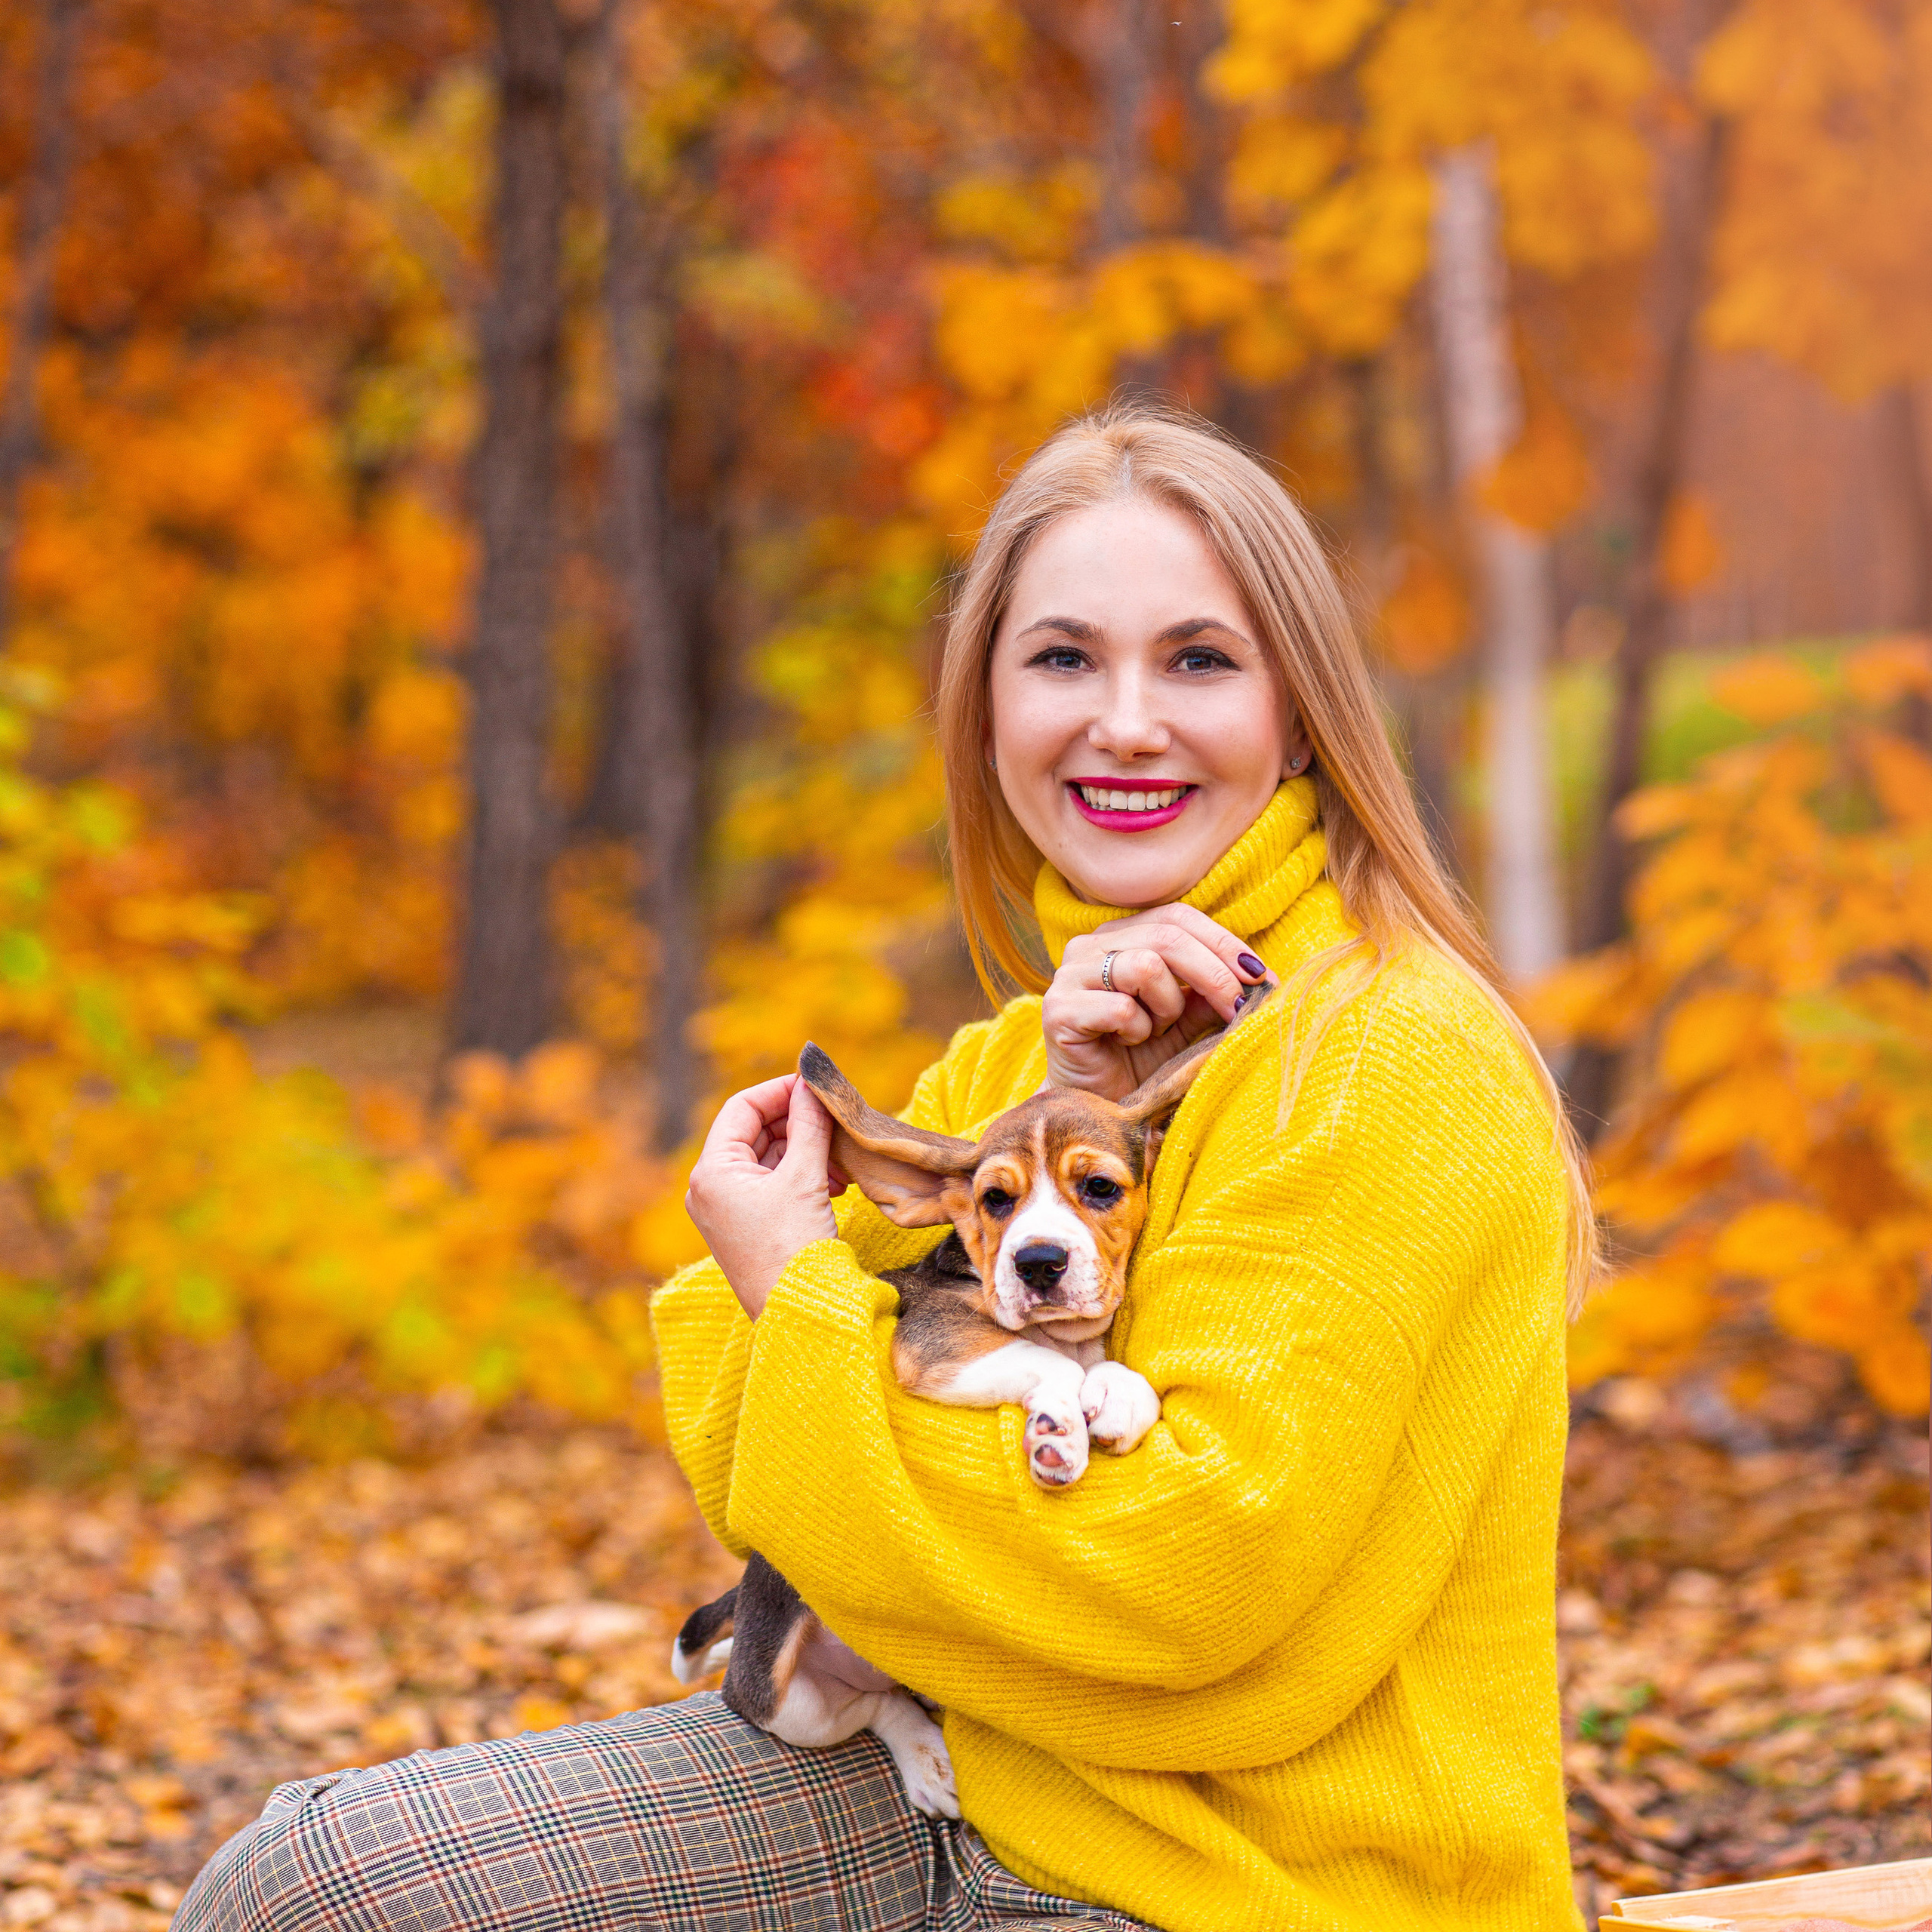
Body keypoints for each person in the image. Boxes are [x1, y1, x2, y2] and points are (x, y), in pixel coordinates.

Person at [173, 403, 1593, 1932]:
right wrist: (1003, 1144)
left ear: (1299, 709)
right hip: (983, 1774)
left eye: (1196, 658)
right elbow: (753, 1472)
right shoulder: (1018, 1068)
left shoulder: (1381, 1053)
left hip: (1239, 1882)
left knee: (328, 1904)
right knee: (299, 1878)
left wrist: (793, 1279)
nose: (1121, 721)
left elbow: (1179, 1568)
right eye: (1059, 658)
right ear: (985, 708)